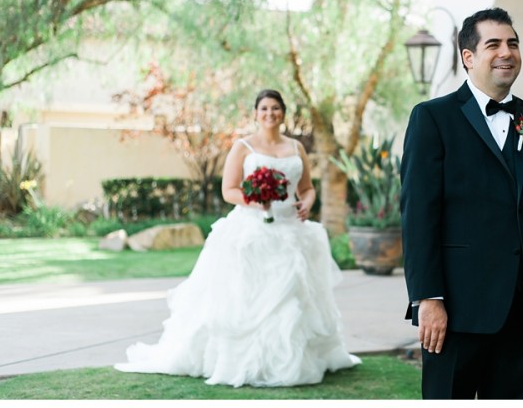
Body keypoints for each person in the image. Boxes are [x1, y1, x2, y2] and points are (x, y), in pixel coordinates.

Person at [115, 89, 361, 387]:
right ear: (256, 114)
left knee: (292, 300)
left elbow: (307, 188)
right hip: (252, 229)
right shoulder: (244, 147)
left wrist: (306, 203)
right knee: (246, 298)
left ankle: (293, 360)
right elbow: (229, 190)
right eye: (264, 109)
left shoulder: (296, 147)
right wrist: (257, 202)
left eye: (275, 108)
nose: (270, 114)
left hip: (292, 231)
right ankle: (244, 360)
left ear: (283, 113)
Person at [400, 7, 523, 399]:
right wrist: (429, 298)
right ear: (469, 57)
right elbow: (419, 216)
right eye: (493, 44)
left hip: (522, 310)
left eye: (512, 43)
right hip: (456, 310)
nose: (506, 52)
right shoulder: (432, 118)